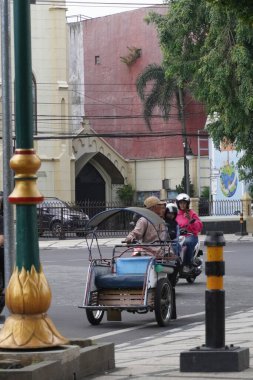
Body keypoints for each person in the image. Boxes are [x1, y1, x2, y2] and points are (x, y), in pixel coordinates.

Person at [176, 193, 203, 272]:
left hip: (190, 236)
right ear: (178, 204)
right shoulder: (175, 214)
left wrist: (191, 220)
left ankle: (188, 263)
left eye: (184, 203)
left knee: (187, 243)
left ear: (187, 204)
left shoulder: (191, 213)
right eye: (180, 203)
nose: (182, 205)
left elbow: (199, 226)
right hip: (179, 236)